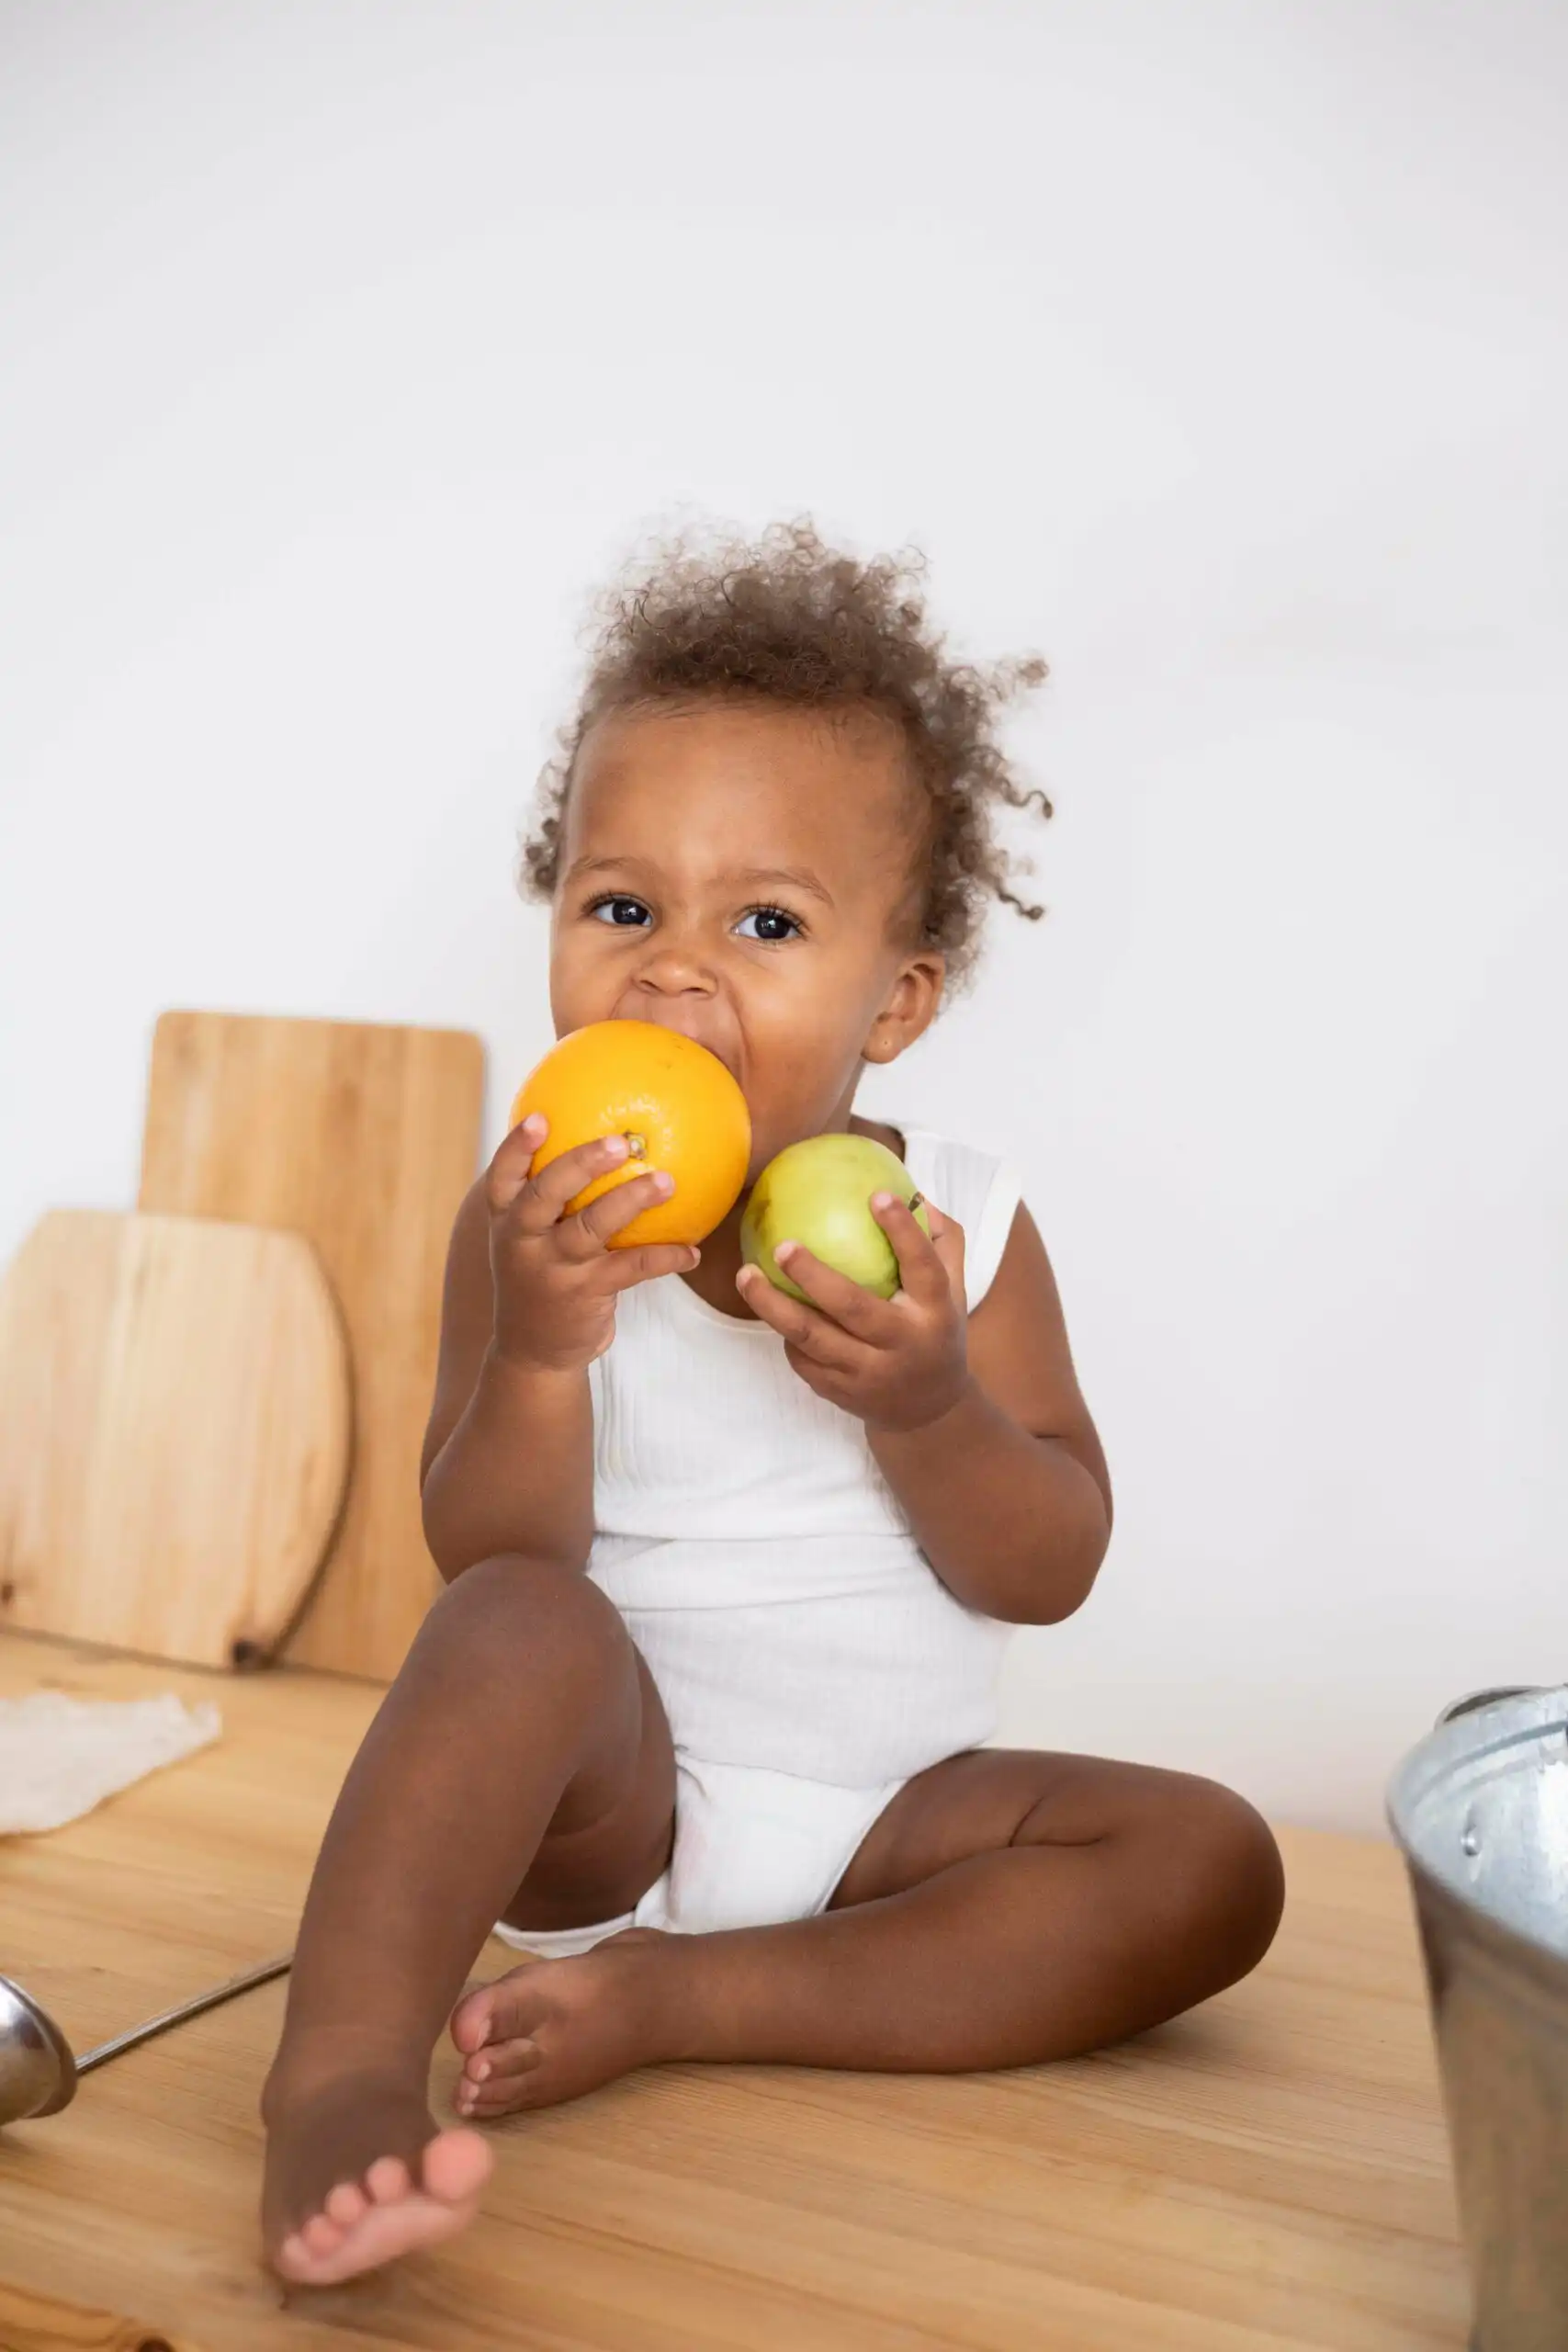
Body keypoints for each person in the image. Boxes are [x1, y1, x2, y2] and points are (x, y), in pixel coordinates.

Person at [260, 521, 1285, 2285]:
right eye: (622, 905)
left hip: (894, 1826)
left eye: (764, 922)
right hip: (614, 1807)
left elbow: (1045, 1565)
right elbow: (492, 1560)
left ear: (893, 1001)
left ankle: (692, 1999)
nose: (674, 967)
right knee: (512, 1627)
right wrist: (536, 1346)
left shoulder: (954, 1222)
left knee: (1209, 1862)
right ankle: (339, 2083)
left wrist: (930, 1401)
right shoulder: (536, 1215)